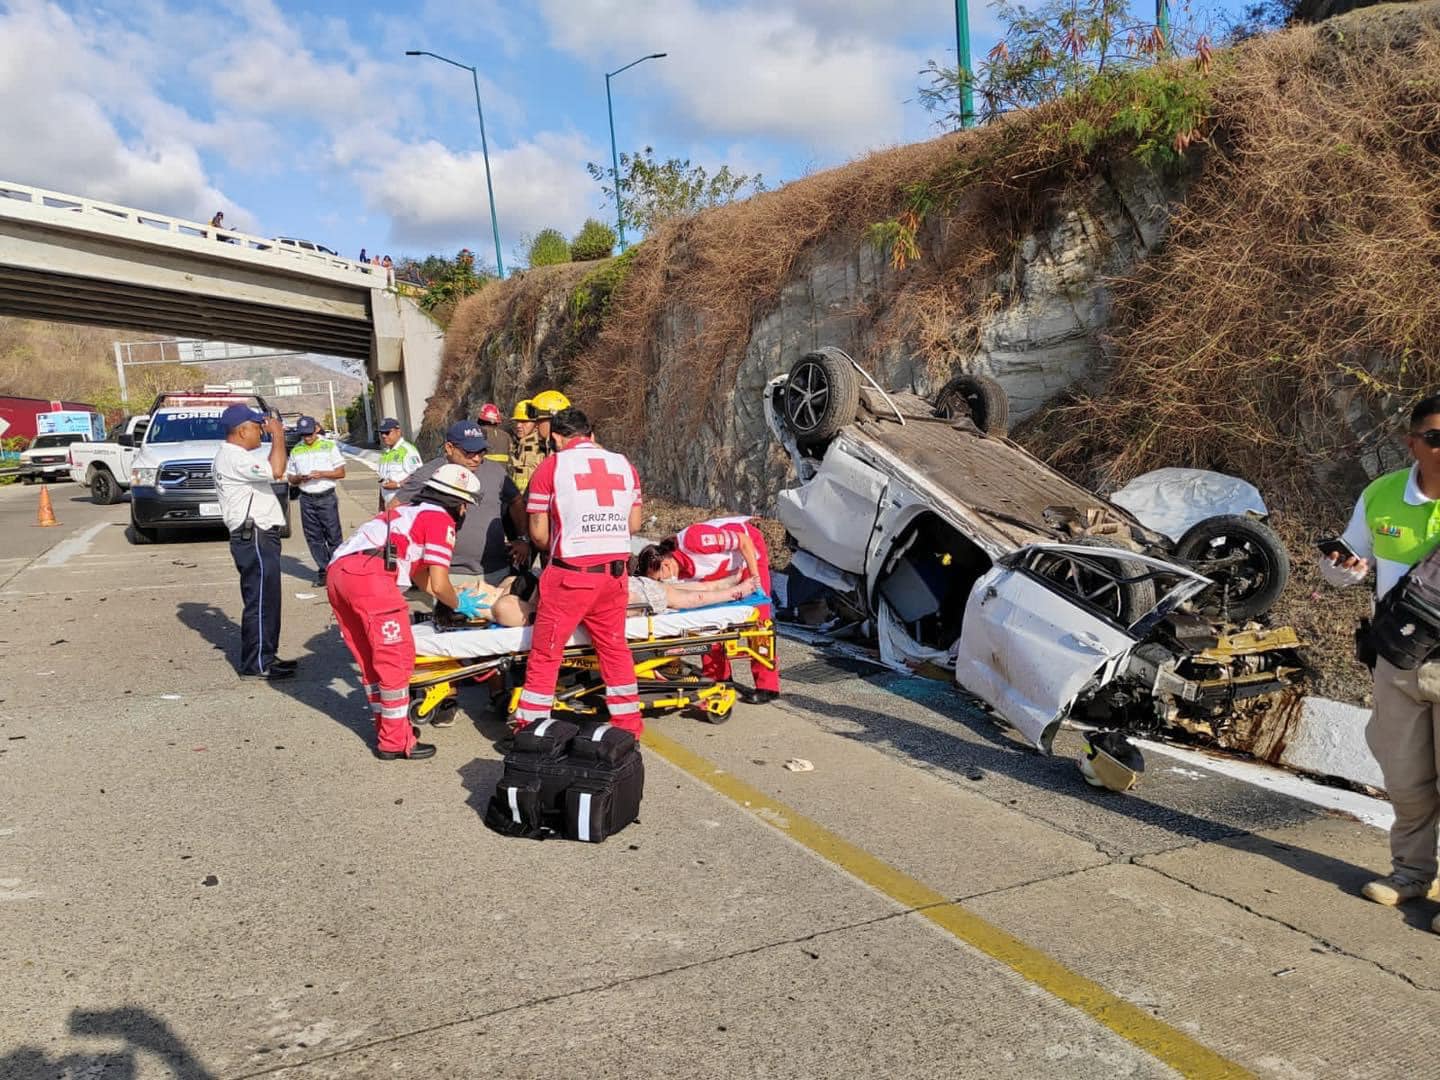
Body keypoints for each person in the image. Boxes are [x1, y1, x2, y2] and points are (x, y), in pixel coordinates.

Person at [1322, 392, 1440, 926]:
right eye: (1435, 438)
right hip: (1396, 659)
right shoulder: (1382, 494)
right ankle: (1411, 874)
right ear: (1412, 442)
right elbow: (1347, 564)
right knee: (1405, 776)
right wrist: (1344, 569)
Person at [327, 464, 485, 760]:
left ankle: (389, 730)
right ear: (459, 503)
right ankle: (397, 742)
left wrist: (449, 596)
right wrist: (458, 603)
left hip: (339, 574)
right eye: (465, 507)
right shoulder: (440, 520)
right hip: (371, 579)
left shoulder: (407, 512)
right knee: (396, 658)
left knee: (371, 661)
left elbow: (421, 577)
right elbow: (439, 583)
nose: (464, 513)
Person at [512, 407, 645, 736]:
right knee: (614, 648)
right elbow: (634, 524)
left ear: (556, 437)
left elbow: (540, 535)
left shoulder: (551, 467)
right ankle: (628, 726)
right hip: (614, 574)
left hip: (571, 574)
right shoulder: (624, 465)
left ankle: (531, 727)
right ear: (591, 434)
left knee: (546, 652)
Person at [636, 515, 779, 704]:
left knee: (759, 622)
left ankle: (767, 686)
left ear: (666, 564)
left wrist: (755, 578)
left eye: (660, 577)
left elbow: (743, 542)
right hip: (719, 569)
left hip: (748, 553)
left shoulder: (694, 540)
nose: (663, 582)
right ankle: (718, 678)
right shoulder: (680, 571)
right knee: (708, 622)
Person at [212, 404, 295, 681]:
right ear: (242, 430)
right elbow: (277, 470)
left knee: (268, 599)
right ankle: (257, 662)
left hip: (259, 534)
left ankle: (266, 655)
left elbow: (278, 470)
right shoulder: (235, 458)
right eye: (257, 427)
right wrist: (279, 435)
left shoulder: (236, 456)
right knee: (260, 600)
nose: (262, 431)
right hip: (254, 534)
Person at [285, 415, 346, 587]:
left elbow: (341, 472)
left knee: (333, 536)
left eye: (310, 434)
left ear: (317, 429)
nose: (307, 438)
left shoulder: (329, 446)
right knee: (313, 538)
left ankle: (337, 570)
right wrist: (298, 478)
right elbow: (290, 477)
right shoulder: (296, 450)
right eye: (304, 435)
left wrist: (322, 474)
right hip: (306, 499)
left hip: (326, 496)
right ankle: (324, 570)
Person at [376, 417, 422, 510]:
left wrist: (398, 484)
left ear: (398, 431)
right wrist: (381, 506)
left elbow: (419, 475)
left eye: (387, 432)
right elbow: (383, 481)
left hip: (405, 506)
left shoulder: (408, 450)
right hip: (389, 507)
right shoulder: (385, 453)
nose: (384, 436)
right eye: (382, 433)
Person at [507, 399, 543, 492]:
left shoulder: (543, 447)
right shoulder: (515, 445)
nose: (518, 425)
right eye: (517, 421)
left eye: (524, 421)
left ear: (536, 424)